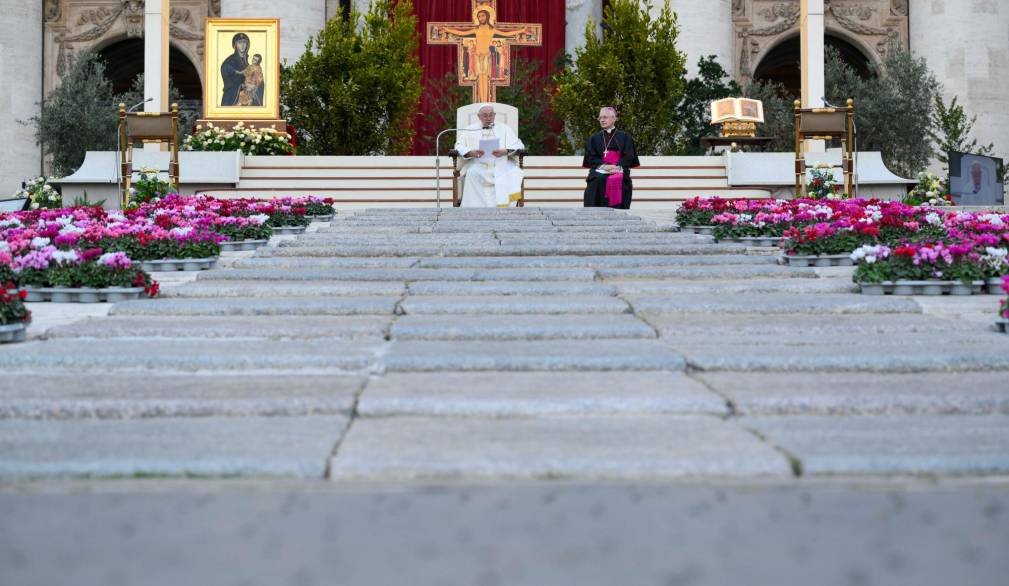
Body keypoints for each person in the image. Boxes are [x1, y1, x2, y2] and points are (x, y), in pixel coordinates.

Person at [454, 104, 525, 207]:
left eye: (491, 115)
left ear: (494, 115)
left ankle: (505, 211)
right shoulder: (470, 129)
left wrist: (505, 151)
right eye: (485, 115)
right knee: (472, 173)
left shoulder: (505, 128)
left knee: (511, 173)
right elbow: (458, 145)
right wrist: (470, 152)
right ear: (479, 116)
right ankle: (474, 211)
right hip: (478, 164)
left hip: (501, 164)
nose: (488, 118)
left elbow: (519, 145)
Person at [582, 106, 640, 209]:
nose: (602, 120)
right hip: (600, 169)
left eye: (605, 117)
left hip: (619, 169)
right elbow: (591, 157)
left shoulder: (625, 137)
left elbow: (629, 155)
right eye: (600, 118)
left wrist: (617, 167)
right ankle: (595, 212)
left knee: (618, 179)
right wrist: (605, 166)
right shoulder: (594, 138)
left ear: (614, 118)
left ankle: (618, 212)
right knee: (598, 179)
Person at [220, 32, 251, 106]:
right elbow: (224, 68)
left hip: (245, 96)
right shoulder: (231, 60)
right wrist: (238, 73)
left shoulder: (247, 62)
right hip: (232, 96)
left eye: (244, 42)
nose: (242, 45)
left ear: (247, 45)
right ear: (235, 45)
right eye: (240, 43)